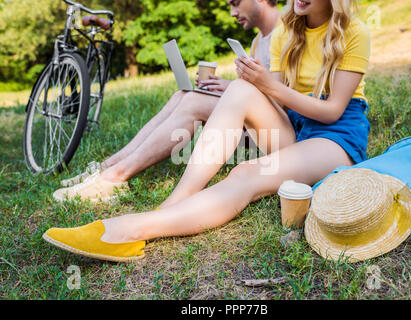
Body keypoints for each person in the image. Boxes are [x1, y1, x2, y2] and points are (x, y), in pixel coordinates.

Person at [43, 0, 371, 262]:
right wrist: (251, 86)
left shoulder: (354, 32)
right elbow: (282, 104)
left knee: (246, 172)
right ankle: (174, 205)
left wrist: (265, 85)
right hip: (295, 128)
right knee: (240, 92)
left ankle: (132, 230)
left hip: (334, 137)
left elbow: (332, 112)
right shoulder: (288, 32)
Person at [53, 0, 282, 203]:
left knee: (193, 101)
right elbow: (255, 92)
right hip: (253, 121)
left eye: (235, 2)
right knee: (181, 95)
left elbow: (281, 99)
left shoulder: (287, 30)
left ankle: (115, 177)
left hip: (274, 134)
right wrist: (223, 85)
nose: (232, 12)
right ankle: (109, 165)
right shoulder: (257, 41)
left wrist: (231, 88)